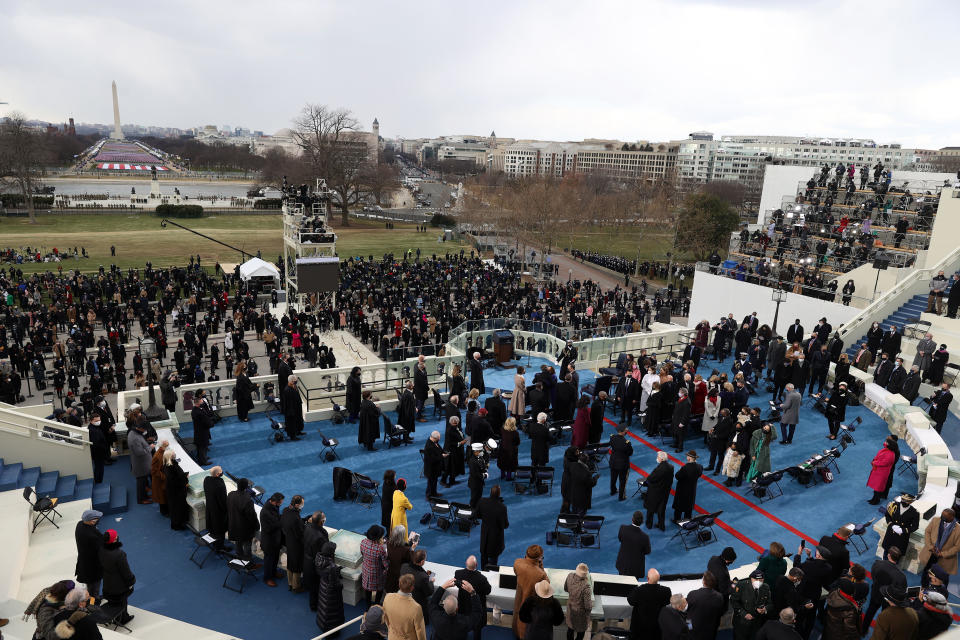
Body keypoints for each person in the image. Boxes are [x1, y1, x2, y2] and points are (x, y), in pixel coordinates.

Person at [863, 547, 906, 632]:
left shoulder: (877, 564)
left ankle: (863, 630)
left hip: (876, 593)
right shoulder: (901, 575)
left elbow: (873, 576)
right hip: (889, 599)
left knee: (870, 611)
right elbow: (901, 590)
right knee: (885, 617)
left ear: (889, 555)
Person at [99, 529, 135, 625]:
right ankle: (123, 618)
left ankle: (114, 616)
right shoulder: (119, 554)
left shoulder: (101, 549)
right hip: (119, 585)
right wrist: (131, 581)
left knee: (113, 601)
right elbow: (126, 571)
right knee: (122, 601)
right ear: (114, 540)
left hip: (107, 582)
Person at [512, 545, 548, 639]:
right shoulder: (540, 574)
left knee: (517, 616)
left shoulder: (517, 562)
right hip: (529, 603)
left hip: (518, 599)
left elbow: (517, 572)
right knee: (525, 625)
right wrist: (540, 566)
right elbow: (546, 586)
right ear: (539, 557)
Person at [628, 568, 672, 640]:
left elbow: (630, 601)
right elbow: (667, 602)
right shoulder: (666, 591)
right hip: (657, 629)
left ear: (647, 578)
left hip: (639, 629)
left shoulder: (639, 590)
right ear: (659, 578)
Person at [454, 556, 491, 640]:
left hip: (463, 607)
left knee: (463, 626)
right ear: (476, 565)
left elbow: (457, 583)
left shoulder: (458, 573)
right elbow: (488, 591)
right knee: (477, 628)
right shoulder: (482, 579)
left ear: (466, 564)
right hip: (477, 607)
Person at [382, 573, 426, 640]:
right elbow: (420, 630)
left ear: (399, 584)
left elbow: (385, 618)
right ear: (412, 588)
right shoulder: (416, 608)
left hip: (392, 636)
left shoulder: (388, 597)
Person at [730, 570, 771, 640]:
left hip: (757, 623)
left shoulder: (765, 587)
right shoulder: (741, 586)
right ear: (751, 578)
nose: (758, 582)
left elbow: (770, 603)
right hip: (742, 622)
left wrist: (765, 609)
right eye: (756, 579)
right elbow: (734, 601)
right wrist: (744, 614)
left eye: (761, 580)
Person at [920, 508, 960, 577]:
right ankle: (924, 586)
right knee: (926, 572)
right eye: (942, 515)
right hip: (931, 553)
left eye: (945, 516)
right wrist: (930, 547)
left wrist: (942, 554)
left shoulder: (958, 529)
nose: (942, 517)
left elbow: (957, 547)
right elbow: (927, 532)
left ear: (952, 517)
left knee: (941, 577)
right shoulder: (935, 520)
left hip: (944, 558)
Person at [227, 477, 260, 562]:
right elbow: (251, 515)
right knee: (247, 545)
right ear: (246, 487)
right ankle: (247, 562)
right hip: (245, 528)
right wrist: (257, 525)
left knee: (238, 543)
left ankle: (239, 558)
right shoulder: (247, 500)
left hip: (233, 524)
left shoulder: (230, 494)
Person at [477, 485, 509, 570]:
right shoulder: (502, 507)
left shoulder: (482, 501)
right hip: (495, 539)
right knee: (493, 561)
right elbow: (505, 525)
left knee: (483, 556)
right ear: (499, 494)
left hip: (485, 536)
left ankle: (483, 571)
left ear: (490, 492)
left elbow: (478, 515)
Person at [315, 542, 345, 633]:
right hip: (331, 594)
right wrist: (340, 585)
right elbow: (334, 584)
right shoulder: (331, 567)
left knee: (323, 608)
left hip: (323, 587)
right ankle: (333, 631)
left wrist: (336, 569)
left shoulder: (318, 558)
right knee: (333, 612)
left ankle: (323, 626)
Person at [74, 509, 104, 599]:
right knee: (94, 588)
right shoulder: (90, 536)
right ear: (92, 521)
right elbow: (101, 546)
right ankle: (94, 603)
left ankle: (93, 600)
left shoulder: (80, 524)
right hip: (92, 568)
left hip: (85, 564)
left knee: (91, 587)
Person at [686, 572, 724, 640]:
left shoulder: (692, 594)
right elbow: (720, 612)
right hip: (711, 629)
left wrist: (689, 628)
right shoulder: (719, 597)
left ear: (703, 582)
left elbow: (687, 612)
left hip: (693, 629)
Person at [304, 511, 330, 611]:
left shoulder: (307, 527)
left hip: (307, 560)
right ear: (320, 522)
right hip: (316, 564)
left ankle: (313, 604)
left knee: (313, 586)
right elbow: (323, 551)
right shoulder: (320, 536)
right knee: (316, 586)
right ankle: (314, 606)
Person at [400, 549, 434, 624]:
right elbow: (429, 592)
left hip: (404, 597)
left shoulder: (404, 566)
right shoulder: (423, 577)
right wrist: (431, 580)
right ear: (422, 562)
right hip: (418, 601)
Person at [616, 511, 652, 580]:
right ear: (642, 522)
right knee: (633, 587)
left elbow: (620, 539)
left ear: (632, 519)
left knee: (621, 583)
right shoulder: (645, 537)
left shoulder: (622, 528)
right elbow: (647, 551)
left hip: (623, 564)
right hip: (636, 568)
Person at [281, 495, 306, 592]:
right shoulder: (295, 517)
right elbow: (300, 533)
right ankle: (296, 586)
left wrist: (302, 520)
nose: (302, 505)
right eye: (302, 504)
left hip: (289, 541)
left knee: (290, 562)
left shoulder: (286, 510)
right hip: (297, 544)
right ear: (297, 504)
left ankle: (290, 583)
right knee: (297, 565)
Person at [259, 492, 284, 587]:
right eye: (280, 502)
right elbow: (268, 528)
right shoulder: (265, 512)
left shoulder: (273, 507)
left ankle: (273, 572)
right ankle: (267, 578)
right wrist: (281, 522)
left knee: (275, 559)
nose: (281, 504)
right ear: (274, 502)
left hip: (275, 540)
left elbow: (277, 518)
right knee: (269, 561)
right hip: (269, 541)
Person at [645, 451, 674, 531]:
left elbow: (651, 478)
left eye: (657, 457)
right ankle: (661, 526)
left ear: (661, 459)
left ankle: (649, 524)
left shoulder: (659, 469)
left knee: (650, 509)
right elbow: (670, 480)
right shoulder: (671, 467)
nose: (657, 458)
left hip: (655, 492)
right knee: (661, 510)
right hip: (665, 492)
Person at [360, 525, 388, 608]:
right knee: (380, 589)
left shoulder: (363, 542)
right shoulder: (381, 548)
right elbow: (385, 564)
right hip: (377, 573)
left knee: (367, 589)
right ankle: (376, 605)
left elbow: (362, 554)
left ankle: (368, 606)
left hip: (366, 570)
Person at [162, 449, 189, 530]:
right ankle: (176, 525)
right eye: (173, 453)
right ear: (170, 456)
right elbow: (175, 480)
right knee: (177, 509)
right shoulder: (170, 466)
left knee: (176, 508)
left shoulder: (169, 464)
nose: (175, 454)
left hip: (174, 491)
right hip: (176, 492)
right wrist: (185, 477)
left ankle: (178, 523)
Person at [203, 466, 229, 550]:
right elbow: (223, 500)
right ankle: (220, 548)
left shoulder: (206, 479)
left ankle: (215, 544)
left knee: (212, 528)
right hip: (218, 512)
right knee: (220, 531)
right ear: (218, 474)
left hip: (210, 509)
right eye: (221, 472)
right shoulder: (220, 484)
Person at [607, 422, 634, 501]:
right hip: (623, 465)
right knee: (622, 481)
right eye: (625, 430)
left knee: (613, 478)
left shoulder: (612, 437)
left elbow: (611, 445)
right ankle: (621, 496)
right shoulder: (626, 443)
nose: (626, 431)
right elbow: (630, 453)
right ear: (623, 432)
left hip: (613, 462)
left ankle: (613, 491)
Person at [127, 422, 153, 504]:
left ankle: (144, 496)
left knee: (143, 482)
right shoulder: (135, 438)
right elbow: (139, 452)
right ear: (141, 428)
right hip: (141, 465)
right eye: (145, 429)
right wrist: (150, 447)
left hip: (142, 464)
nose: (145, 431)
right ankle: (141, 499)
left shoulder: (133, 432)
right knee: (141, 483)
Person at [673, 450, 702, 522]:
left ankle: (677, 520)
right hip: (692, 489)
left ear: (689, 458)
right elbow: (699, 475)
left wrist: (680, 470)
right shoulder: (700, 467)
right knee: (689, 505)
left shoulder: (685, 468)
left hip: (682, 489)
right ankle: (688, 519)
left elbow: (677, 476)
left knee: (679, 506)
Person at [867, 437, 898, 504]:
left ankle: (876, 500)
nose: (885, 443)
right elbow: (878, 456)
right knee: (876, 487)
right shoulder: (885, 450)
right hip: (877, 471)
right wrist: (874, 460)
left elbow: (884, 463)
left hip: (882, 473)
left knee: (878, 487)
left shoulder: (891, 454)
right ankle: (873, 498)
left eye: (887, 442)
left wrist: (874, 462)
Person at [190, 389, 214, 464]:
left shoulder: (196, 409)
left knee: (202, 447)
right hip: (201, 432)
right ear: (198, 402)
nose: (202, 401)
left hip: (200, 431)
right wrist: (211, 424)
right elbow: (205, 421)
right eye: (201, 400)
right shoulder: (198, 412)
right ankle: (203, 461)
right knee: (202, 447)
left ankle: (203, 457)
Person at [423, 431, 446, 498]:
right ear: (436, 438)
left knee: (434, 481)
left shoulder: (433, 442)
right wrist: (442, 456)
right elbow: (433, 459)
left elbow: (439, 449)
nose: (439, 439)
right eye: (439, 438)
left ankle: (434, 493)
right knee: (430, 483)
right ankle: (429, 496)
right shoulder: (430, 446)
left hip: (434, 468)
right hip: (431, 469)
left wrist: (443, 452)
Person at [150, 440, 169, 516]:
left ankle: (166, 510)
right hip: (159, 480)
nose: (168, 447)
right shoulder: (157, 456)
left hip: (163, 479)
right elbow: (154, 471)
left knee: (164, 496)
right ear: (162, 446)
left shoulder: (163, 453)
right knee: (161, 496)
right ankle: (163, 512)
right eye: (166, 446)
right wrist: (164, 477)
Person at [282, 376, 304, 440]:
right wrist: (291, 411)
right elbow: (288, 402)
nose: (296, 381)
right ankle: (292, 436)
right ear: (291, 381)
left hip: (296, 408)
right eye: (295, 380)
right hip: (291, 410)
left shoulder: (294, 386)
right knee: (291, 423)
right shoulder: (287, 390)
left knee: (298, 420)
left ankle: (298, 432)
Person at [467, 442, 488, 507]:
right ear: (475, 452)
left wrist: (485, 469)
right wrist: (484, 475)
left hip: (480, 482)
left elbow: (483, 466)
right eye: (480, 451)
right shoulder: (472, 461)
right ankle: (472, 511)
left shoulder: (480, 457)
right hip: (475, 483)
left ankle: (477, 510)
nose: (482, 452)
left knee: (479, 497)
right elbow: (475, 474)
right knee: (474, 498)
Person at [672, 388, 692, 452]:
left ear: (683, 393)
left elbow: (686, 414)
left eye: (680, 392)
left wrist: (682, 423)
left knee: (680, 435)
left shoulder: (687, 402)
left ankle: (680, 448)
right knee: (676, 433)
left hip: (681, 421)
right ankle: (676, 444)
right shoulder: (681, 399)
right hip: (676, 419)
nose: (678, 393)